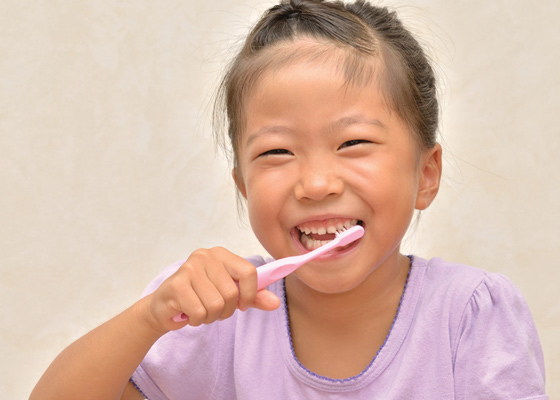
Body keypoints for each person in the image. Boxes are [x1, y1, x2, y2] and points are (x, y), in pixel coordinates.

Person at [30, 0, 547, 399]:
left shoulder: (472, 315)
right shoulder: (216, 323)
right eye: (277, 151)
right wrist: (148, 319)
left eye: (353, 143)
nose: (316, 183)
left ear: (425, 174)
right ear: (243, 185)